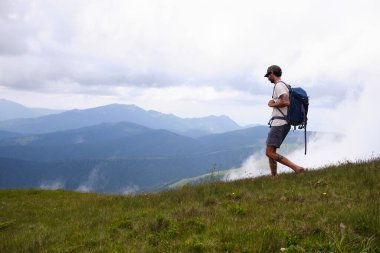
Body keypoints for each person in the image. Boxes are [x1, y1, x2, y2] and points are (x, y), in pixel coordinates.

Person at [264, 65, 305, 179]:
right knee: (271, 151)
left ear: (272, 73)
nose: (268, 78)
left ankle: (296, 168)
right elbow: (284, 101)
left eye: (268, 75)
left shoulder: (279, 85)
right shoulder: (283, 85)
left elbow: (286, 102)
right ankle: (274, 177)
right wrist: (275, 101)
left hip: (280, 123)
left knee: (269, 152)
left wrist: (272, 104)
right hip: (282, 122)